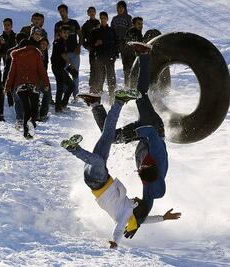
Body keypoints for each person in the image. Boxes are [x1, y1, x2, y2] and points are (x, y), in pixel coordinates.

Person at [61, 88, 181, 248]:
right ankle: (116, 101)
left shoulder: (127, 212)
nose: (135, 198)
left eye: (137, 201)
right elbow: (145, 216)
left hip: (98, 183)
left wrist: (115, 241)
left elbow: (123, 226)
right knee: (109, 135)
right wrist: (162, 218)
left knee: (98, 160)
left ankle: (73, 148)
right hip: (108, 173)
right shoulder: (133, 205)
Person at [79, 42, 168, 219]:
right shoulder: (158, 156)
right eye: (144, 164)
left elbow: (145, 208)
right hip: (153, 128)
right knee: (140, 94)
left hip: (142, 136)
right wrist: (133, 134)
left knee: (111, 137)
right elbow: (150, 132)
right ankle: (144, 54)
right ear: (151, 164)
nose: (141, 164)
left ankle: (95, 104)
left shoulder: (148, 189)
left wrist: (136, 222)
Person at [4, 43, 50, 139]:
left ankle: (26, 132)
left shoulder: (16, 55)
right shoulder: (36, 54)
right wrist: (46, 83)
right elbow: (41, 70)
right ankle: (31, 124)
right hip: (33, 85)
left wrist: (7, 86)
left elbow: (12, 72)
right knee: (34, 108)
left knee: (26, 108)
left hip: (20, 85)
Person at [54, 4, 82, 101]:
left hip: (74, 53)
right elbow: (56, 39)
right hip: (63, 54)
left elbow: (81, 36)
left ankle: (75, 95)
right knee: (64, 74)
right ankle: (66, 95)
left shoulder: (74, 23)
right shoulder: (58, 25)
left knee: (75, 73)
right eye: (60, 12)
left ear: (67, 11)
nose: (62, 13)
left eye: (63, 11)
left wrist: (79, 46)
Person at [90, 11, 117, 103]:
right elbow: (92, 44)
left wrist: (115, 55)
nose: (103, 20)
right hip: (100, 57)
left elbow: (116, 43)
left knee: (111, 78)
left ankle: (112, 98)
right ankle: (98, 99)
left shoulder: (112, 30)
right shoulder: (95, 31)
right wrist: (95, 47)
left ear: (107, 19)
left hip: (110, 57)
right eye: (101, 18)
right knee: (99, 78)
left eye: (104, 18)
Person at [3, 32, 28, 129]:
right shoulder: (30, 51)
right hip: (26, 79)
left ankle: (19, 119)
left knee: (17, 100)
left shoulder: (11, 51)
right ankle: (26, 118)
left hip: (14, 78)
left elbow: (7, 68)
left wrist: (5, 80)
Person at [51, 26, 75, 113]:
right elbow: (62, 55)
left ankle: (63, 104)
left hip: (60, 67)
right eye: (64, 32)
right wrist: (71, 64)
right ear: (60, 33)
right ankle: (58, 107)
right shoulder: (59, 42)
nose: (66, 34)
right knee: (60, 87)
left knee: (71, 85)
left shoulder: (63, 42)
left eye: (67, 33)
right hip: (57, 67)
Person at [110, 0, 132, 86]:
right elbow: (111, 30)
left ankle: (128, 83)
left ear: (124, 8)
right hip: (116, 43)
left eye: (121, 8)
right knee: (111, 62)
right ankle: (112, 84)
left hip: (125, 43)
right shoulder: (114, 19)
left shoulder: (128, 18)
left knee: (126, 64)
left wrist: (126, 40)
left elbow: (130, 30)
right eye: (118, 8)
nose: (119, 9)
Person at [81, 7, 100, 90]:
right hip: (92, 49)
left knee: (100, 68)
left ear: (95, 12)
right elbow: (81, 37)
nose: (92, 13)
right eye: (90, 12)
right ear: (88, 13)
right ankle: (92, 87)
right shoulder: (86, 25)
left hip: (100, 50)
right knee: (93, 68)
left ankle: (99, 87)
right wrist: (86, 46)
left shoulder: (99, 22)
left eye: (93, 11)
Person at [0, 18, 16, 106]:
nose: (6, 27)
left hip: (16, 63)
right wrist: (1, 45)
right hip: (7, 64)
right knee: (7, 82)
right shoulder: (0, 38)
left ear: (12, 26)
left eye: (8, 25)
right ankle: (10, 104)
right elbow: (0, 52)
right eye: (5, 25)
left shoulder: (16, 37)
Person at [37, 37, 51, 122]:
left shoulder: (45, 53)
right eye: (42, 44)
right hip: (36, 77)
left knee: (47, 95)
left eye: (45, 45)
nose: (44, 46)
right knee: (37, 96)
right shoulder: (36, 52)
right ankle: (38, 115)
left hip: (43, 76)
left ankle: (43, 114)